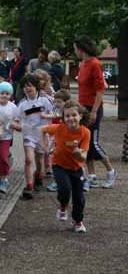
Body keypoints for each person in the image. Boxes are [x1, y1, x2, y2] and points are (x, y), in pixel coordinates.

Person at [40, 100, 91, 233]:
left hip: (76, 168)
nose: (71, 118)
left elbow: (83, 157)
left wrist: (77, 152)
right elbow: (43, 130)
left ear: (80, 116)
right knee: (64, 189)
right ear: (63, 118)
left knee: (79, 197)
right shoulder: (59, 128)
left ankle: (78, 221)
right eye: (67, 116)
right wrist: (45, 147)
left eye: (74, 115)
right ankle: (62, 206)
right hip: (59, 165)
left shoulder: (85, 132)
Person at [74, 36, 117, 189]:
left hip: (93, 108)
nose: (74, 51)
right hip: (83, 107)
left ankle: (111, 171)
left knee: (94, 143)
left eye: (75, 49)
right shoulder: (83, 64)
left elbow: (100, 90)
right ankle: (91, 175)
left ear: (81, 49)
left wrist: (93, 112)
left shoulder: (95, 64)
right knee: (84, 142)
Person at [12, 74, 55, 199]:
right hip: (29, 135)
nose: (27, 88)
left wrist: (46, 117)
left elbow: (56, 114)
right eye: (25, 86)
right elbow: (16, 120)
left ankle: (39, 177)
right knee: (29, 160)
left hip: (42, 135)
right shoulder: (22, 104)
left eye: (30, 86)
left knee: (39, 161)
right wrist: (15, 125)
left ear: (36, 86)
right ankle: (29, 186)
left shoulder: (45, 101)